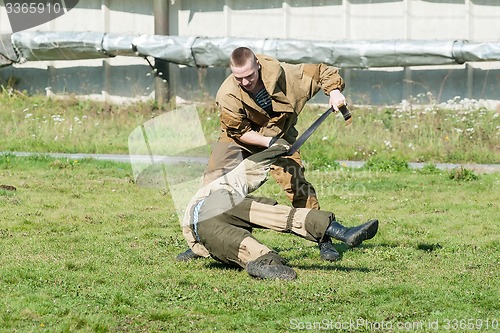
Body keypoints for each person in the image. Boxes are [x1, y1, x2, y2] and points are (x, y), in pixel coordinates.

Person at [177, 46, 348, 262]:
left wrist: (334, 92)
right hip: (239, 140)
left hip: (280, 136)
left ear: (257, 65)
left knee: (296, 183)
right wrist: (269, 142)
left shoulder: (287, 76)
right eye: (239, 78)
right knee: (213, 181)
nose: (245, 82)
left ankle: (324, 239)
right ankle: (203, 242)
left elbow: (323, 71)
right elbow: (240, 131)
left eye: (249, 76)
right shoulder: (227, 93)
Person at [181, 140, 378, 280]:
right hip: (220, 207)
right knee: (281, 215)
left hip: (206, 229)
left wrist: (197, 249)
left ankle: (267, 263)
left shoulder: (202, 193)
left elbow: (195, 235)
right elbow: (255, 163)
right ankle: (342, 231)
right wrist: (280, 146)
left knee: (246, 248)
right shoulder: (229, 181)